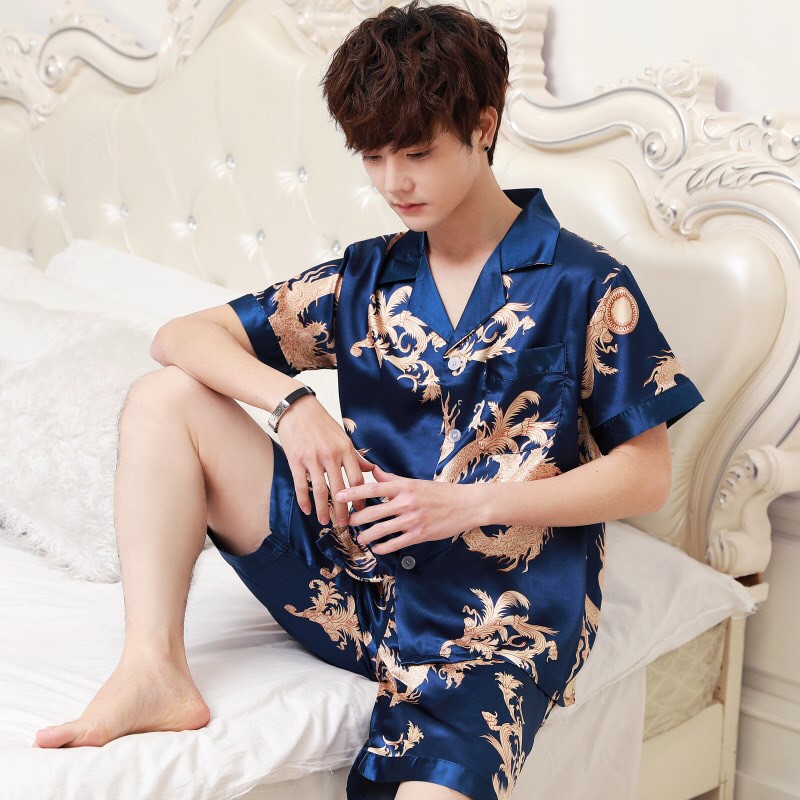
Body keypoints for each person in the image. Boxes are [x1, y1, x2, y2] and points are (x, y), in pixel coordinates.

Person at [33, 3, 704, 799]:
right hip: (351, 581)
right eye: (374, 156)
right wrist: (294, 406)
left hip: (494, 622)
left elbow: (646, 476)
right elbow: (182, 335)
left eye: (416, 153)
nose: (393, 183)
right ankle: (153, 669)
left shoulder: (585, 283)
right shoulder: (365, 278)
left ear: (483, 127)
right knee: (165, 398)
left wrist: (469, 504)